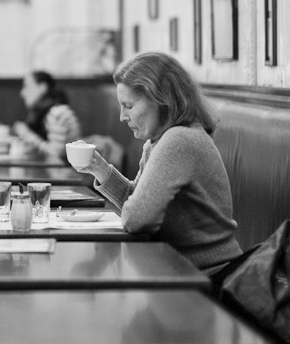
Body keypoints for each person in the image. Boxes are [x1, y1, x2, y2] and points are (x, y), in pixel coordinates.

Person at [70, 52, 242, 275]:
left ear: (160, 99)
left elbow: (137, 218)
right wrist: (102, 170)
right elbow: (139, 203)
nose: (122, 116)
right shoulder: (159, 141)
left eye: (129, 106)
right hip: (181, 271)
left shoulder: (178, 140)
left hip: (211, 281)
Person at [12, 70, 82, 159]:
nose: (22, 93)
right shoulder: (47, 111)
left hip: (69, 171)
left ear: (42, 87)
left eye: (26, 86)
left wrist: (29, 136)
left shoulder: (57, 113)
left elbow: (57, 155)